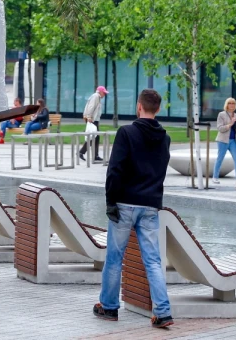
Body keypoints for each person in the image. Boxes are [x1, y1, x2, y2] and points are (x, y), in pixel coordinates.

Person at [93, 89, 173, 329]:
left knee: (115, 257)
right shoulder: (165, 138)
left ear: (139, 106)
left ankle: (108, 307)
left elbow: (115, 169)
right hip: (150, 205)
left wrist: (110, 201)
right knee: (153, 260)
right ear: (157, 109)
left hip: (125, 203)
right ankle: (163, 312)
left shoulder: (126, 132)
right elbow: (161, 171)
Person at [213, 98, 236, 185]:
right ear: (227, 104)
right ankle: (215, 177)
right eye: (230, 103)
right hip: (223, 140)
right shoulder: (221, 114)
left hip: (233, 140)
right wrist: (231, 123)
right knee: (220, 158)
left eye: (233, 103)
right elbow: (220, 128)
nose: (232, 105)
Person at [80, 85, 109, 160]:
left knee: (96, 137)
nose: (105, 95)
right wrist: (89, 116)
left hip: (94, 119)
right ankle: (82, 152)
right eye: (104, 93)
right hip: (92, 119)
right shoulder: (96, 96)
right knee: (94, 136)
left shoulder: (97, 97)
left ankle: (94, 155)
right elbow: (91, 106)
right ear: (100, 92)